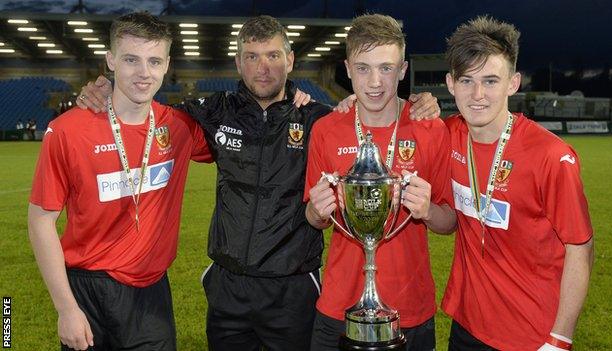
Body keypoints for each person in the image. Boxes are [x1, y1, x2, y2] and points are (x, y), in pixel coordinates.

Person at [76, 15, 441, 350]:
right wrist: (107, 89)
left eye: (272, 56)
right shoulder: (213, 112)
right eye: (251, 57)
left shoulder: (317, 119)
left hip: (293, 288)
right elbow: (146, 112)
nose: (262, 68)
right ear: (238, 63)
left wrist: (421, 101)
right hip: (229, 288)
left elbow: (365, 110)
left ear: (290, 60)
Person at [28, 12, 211, 350]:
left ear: (167, 64)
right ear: (110, 60)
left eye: (154, 61)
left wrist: (334, 104)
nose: (144, 73)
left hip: (151, 293)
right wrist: (66, 309)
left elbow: (248, 134)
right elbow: (41, 221)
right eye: (131, 59)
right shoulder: (68, 130)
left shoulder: (181, 127)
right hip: (87, 291)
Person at [439, 16, 594, 350]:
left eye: (491, 81)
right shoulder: (448, 136)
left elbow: (580, 248)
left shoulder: (551, 156)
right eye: (466, 81)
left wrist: (560, 338)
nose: (477, 94)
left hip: (531, 335)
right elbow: (389, 118)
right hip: (466, 325)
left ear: (513, 82)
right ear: (450, 84)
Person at [304, 14, 456, 351]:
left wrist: (427, 209)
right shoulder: (327, 130)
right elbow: (312, 220)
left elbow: (450, 222)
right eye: (363, 68)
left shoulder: (431, 129)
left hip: (410, 308)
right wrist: (316, 211)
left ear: (402, 71)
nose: (375, 82)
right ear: (347, 68)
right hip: (339, 306)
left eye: (386, 68)